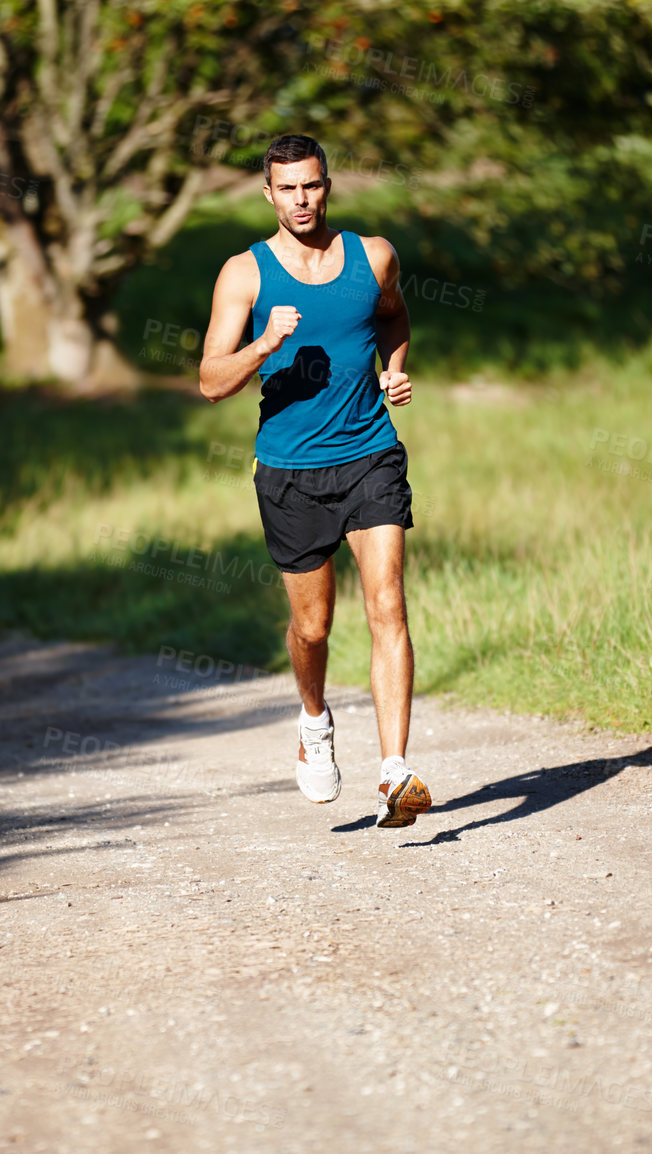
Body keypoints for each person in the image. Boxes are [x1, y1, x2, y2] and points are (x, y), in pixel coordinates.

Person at [196, 133, 430, 829]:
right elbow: (211, 381)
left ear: (328, 185)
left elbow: (394, 317)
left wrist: (393, 368)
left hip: (371, 455)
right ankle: (314, 721)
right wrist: (265, 345)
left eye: (313, 185)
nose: (302, 200)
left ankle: (394, 773)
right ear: (268, 193)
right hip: (292, 473)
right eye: (288, 188)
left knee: (387, 600)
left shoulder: (374, 256)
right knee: (313, 624)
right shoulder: (246, 274)